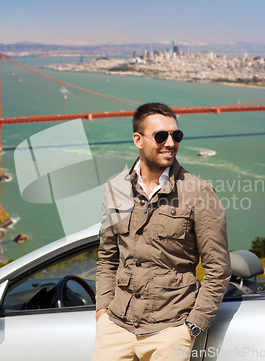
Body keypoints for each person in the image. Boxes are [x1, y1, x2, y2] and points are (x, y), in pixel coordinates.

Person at [92, 103, 231, 361]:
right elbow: (107, 257)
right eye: (160, 136)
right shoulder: (116, 188)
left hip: (170, 331)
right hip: (116, 327)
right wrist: (102, 311)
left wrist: (191, 327)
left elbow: (218, 268)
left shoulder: (199, 193)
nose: (170, 143)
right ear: (138, 140)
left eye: (176, 135)